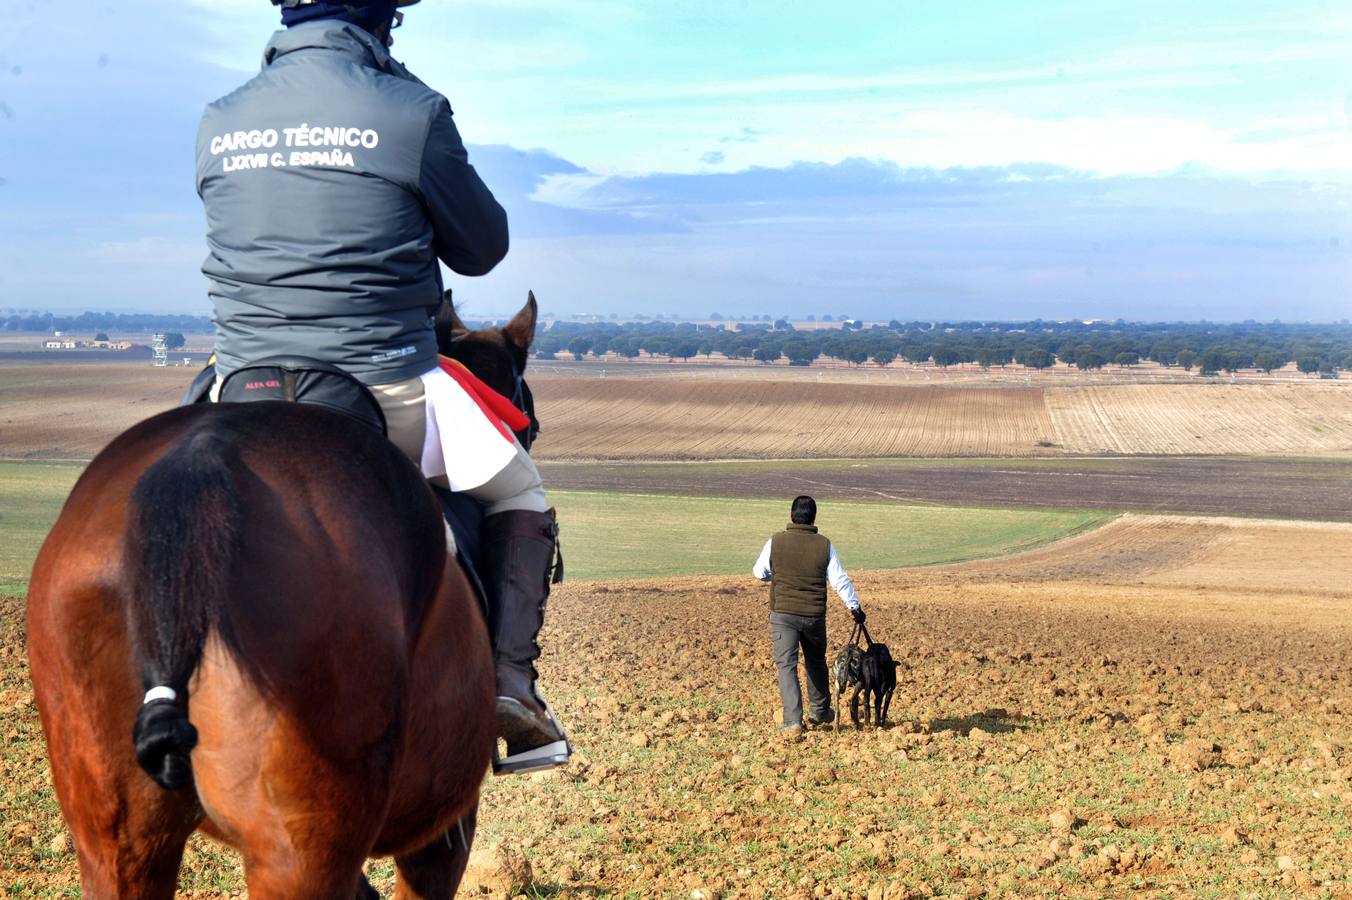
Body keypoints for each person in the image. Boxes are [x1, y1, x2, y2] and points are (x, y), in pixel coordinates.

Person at [195, 0, 568, 774]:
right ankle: (510, 687)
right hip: (379, 384)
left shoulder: (219, 119)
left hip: (239, 384)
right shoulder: (411, 110)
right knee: (519, 491)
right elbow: (482, 249)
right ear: (382, 20)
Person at [753, 495, 866, 735]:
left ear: (791, 516)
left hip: (783, 614)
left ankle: (793, 720)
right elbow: (839, 580)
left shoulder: (776, 541)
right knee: (815, 662)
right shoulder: (824, 545)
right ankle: (821, 711)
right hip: (814, 615)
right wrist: (855, 608)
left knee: (786, 665)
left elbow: (759, 571)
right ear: (813, 517)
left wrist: (781, 578)